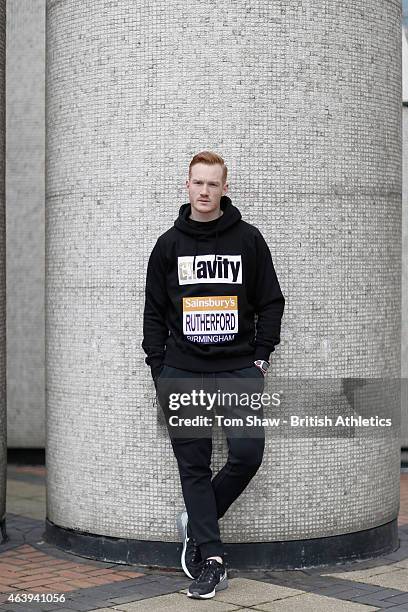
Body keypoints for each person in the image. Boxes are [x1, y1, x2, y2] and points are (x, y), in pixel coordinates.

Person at [142, 150, 285, 599]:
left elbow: (271, 302)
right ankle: (212, 558)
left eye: (212, 184)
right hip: (182, 370)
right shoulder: (168, 245)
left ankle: (198, 522)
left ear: (225, 188)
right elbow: (153, 314)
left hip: (239, 367)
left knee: (247, 455)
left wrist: (260, 359)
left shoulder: (248, 239)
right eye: (197, 183)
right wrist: (159, 368)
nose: (204, 191)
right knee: (194, 466)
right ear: (187, 186)